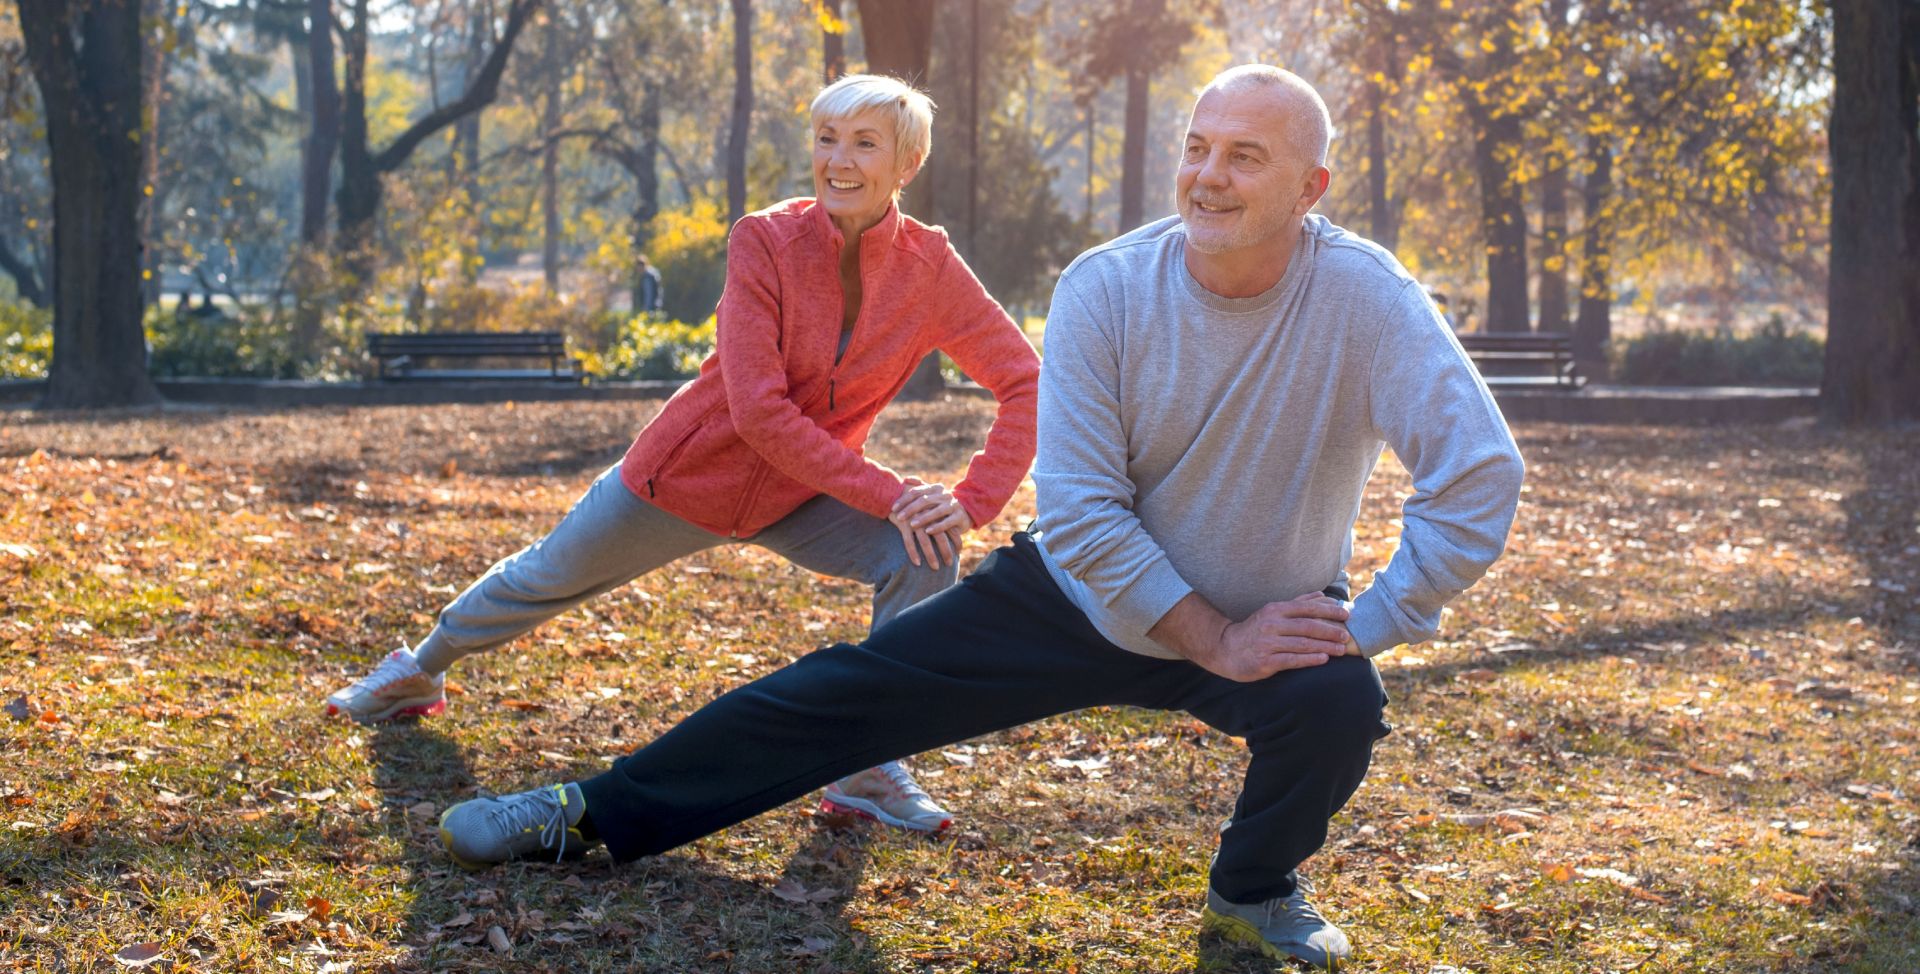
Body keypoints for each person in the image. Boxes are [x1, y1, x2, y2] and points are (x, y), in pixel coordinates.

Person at [436, 65, 1524, 968]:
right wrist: (1212, 637)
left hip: (1268, 608)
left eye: (1246, 155)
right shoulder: (1108, 287)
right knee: (839, 696)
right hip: (1079, 597)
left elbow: (1477, 472)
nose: (1208, 174)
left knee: (1338, 706)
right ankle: (588, 811)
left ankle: (1254, 886)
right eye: (1197, 146)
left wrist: (1364, 621)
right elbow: (1089, 513)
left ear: (1311, 183)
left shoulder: (1368, 296)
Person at [327, 74, 1040, 835]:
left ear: (907, 164)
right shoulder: (764, 240)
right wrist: (890, 490)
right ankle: (419, 668)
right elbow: (759, 413)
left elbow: (1027, 381)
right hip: (687, 478)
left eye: (865, 143)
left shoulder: (929, 268)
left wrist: (967, 501)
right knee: (544, 575)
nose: (838, 159)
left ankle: (866, 761)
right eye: (827, 138)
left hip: (802, 495)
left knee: (925, 548)